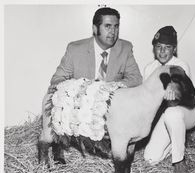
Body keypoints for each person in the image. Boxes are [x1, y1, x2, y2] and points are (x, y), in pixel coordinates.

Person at [40, 7, 142, 163]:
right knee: (52, 99)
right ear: (95, 28)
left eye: (116, 26)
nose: (113, 32)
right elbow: (57, 79)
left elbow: (136, 79)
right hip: (81, 107)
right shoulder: (75, 49)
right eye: (108, 26)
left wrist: (108, 89)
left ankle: (124, 161)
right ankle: (57, 148)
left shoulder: (125, 48)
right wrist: (79, 90)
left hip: (109, 106)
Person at [143, 26, 195, 173]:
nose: (162, 51)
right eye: (158, 47)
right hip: (165, 115)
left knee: (172, 113)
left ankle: (179, 162)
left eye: (167, 47)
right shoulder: (150, 68)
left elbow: (186, 98)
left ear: (174, 49)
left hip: (185, 112)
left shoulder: (180, 65)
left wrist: (173, 95)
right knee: (150, 159)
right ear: (154, 48)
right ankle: (176, 141)